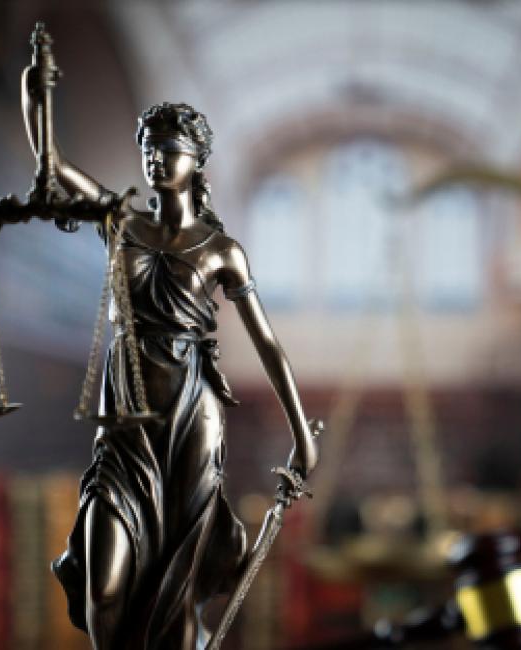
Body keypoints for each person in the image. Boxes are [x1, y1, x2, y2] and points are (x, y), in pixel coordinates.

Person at [22, 68, 319, 650]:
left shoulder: (222, 250)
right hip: (125, 422)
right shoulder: (120, 222)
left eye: (168, 149)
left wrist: (302, 434)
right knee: (104, 587)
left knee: (179, 588)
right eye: (148, 149)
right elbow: (52, 165)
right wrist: (36, 95)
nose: (155, 159)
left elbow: (267, 345)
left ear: (195, 160)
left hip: (191, 415)